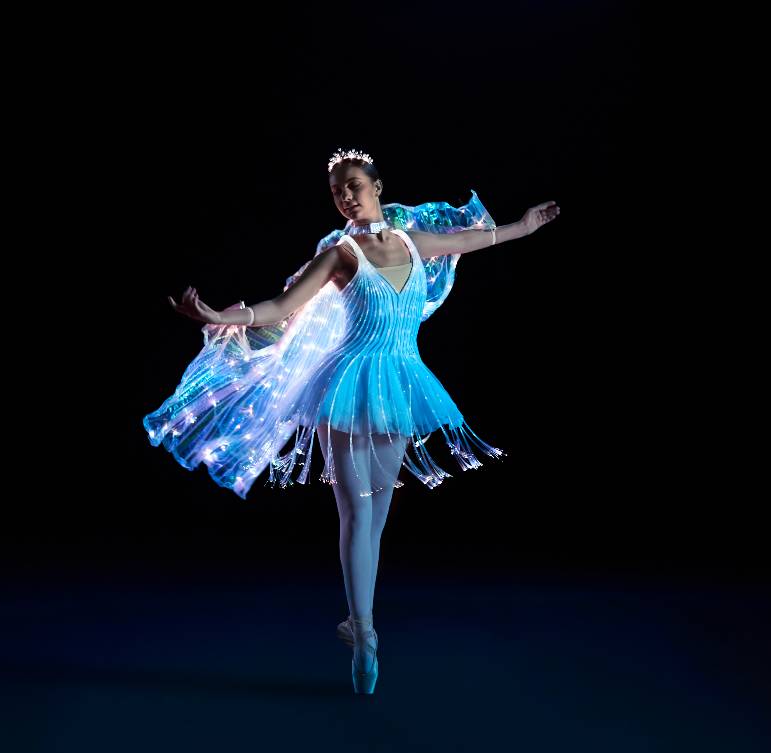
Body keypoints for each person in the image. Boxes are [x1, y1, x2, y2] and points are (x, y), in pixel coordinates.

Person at [145, 148, 560, 693]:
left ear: (378, 186)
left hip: (399, 385)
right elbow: (281, 305)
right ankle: (364, 632)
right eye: (338, 191)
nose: (346, 196)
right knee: (356, 513)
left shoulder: (415, 244)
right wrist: (222, 316)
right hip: (346, 383)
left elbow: (475, 240)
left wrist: (524, 227)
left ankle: (362, 625)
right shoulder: (341, 254)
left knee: (375, 514)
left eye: (354, 185)